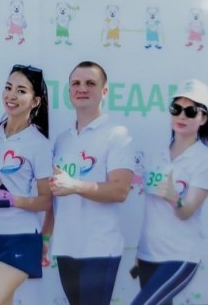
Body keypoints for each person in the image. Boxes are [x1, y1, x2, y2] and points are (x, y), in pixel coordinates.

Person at [42, 61, 136, 305]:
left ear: (104, 91)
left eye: (90, 83)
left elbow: (120, 190)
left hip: (99, 248)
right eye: (76, 83)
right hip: (65, 247)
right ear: (69, 91)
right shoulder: (62, 140)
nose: (82, 88)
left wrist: (74, 185)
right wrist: (46, 238)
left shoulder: (117, 134)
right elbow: (54, 193)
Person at [0, 63, 53, 305]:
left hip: (19, 238)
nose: (11, 95)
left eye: (21, 91)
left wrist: (14, 200)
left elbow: (46, 200)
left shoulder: (39, 144)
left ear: (35, 101)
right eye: (8, 87)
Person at [132, 79, 208, 305]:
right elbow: (151, 210)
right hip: (148, 255)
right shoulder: (156, 152)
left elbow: (186, 211)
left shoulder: (206, 159)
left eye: (190, 111)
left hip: (180, 256)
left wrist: (173, 198)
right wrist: (140, 251)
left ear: (203, 118)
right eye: (176, 109)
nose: (182, 116)